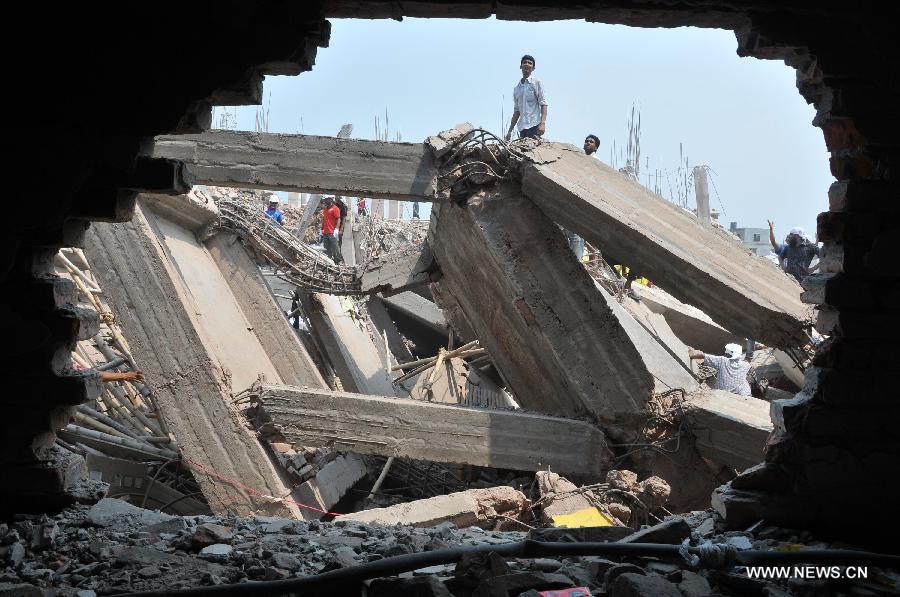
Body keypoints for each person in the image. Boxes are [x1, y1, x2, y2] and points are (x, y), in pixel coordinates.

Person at [504, 54, 548, 142]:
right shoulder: (517, 89)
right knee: (523, 150)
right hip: (522, 128)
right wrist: (509, 131)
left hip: (534, 125)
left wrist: (542, 123)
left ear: (533, 68)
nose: (527, 64)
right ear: (521, 66)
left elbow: (543, 104)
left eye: (530, 63)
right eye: (524, 62)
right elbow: (517, 111)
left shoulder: (536, 83)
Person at [321, 196, 343, 264]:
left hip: (332, 232)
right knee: (326, 248)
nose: (325, 202)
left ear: (330, 200)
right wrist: (322, 229)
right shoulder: (325, 209)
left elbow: (338, 219)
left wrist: (336, 229)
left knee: (335, 247)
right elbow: (324, 220)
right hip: (326, 232)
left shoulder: (335, 208)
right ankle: (328, 261)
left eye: (326, 200)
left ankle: (338, 261)